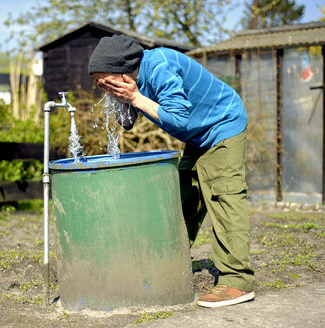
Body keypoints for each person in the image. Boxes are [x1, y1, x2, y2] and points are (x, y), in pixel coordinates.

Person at [88, 34, 255, 308]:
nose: (100, 85)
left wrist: (135, 96)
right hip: (198, 134)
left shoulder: (161, 65)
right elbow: (128, 122)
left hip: (223, 124)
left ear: (123, 69)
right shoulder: (134, 80)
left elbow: (179, 119)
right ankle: (167, 264)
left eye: (104, 79)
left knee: (224, 199)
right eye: (97, 81)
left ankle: (237, 282)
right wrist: (121, 97)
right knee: (179, 198)